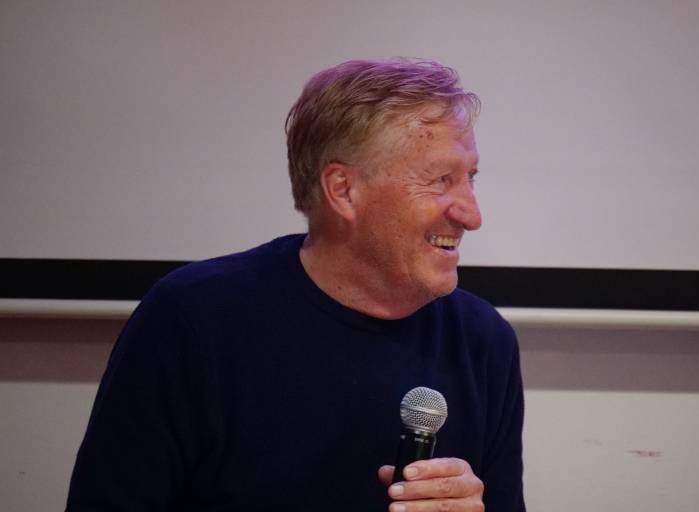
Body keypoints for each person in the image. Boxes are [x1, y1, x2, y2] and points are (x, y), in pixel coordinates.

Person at [66, 58, 525, 511]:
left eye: (470, 178)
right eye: (441, 180)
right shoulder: (192, 320)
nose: (472, 215)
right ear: (343, 190)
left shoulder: (483, 341)